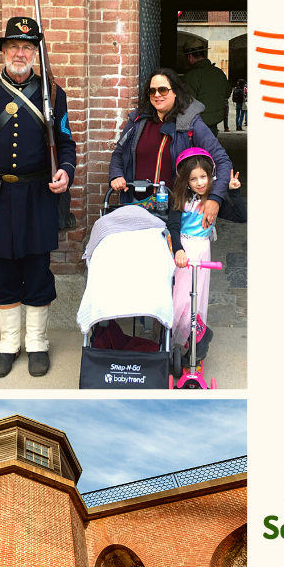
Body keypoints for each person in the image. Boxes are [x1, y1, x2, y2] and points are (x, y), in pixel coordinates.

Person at [0, 16, 77, 379]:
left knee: (39, 270)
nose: (20, 53)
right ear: (4, 51)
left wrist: (66, 171)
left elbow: (67, 143)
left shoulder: (53, 93)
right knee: (5, 272)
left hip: (39, 195)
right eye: (13, 46)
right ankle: (8, 344)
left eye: (27, 47)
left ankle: (37, 342)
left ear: (35, 53)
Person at [109, 67, 234, 230]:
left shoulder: (191, 124)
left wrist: (215, 198)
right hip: (137, 206)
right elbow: (119, 153)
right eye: (152, 91)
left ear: (175, 92)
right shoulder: (138, 121)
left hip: (177, 211)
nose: (157, 95)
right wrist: (116, 175)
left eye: (163, 90)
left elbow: (222, 161)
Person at [168, 147, 247, 367]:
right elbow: (173, 226)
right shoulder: (180, 199)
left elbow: (241, 217)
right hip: (183, 251)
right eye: (193, 179)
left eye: (204, 176)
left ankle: (195, 339)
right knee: (180, 300)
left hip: (202, 251)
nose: (200, 182)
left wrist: (233, 193)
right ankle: (181, 340)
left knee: (197, 297)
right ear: (185, 180)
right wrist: (178, 250)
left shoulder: (213, 204)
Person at [181, 42, 230, 137]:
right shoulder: (219, 73)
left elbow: (186, 101)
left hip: (197, 124)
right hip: (214, 122)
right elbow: (227, 92)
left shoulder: (191, 76)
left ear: (189, 56)